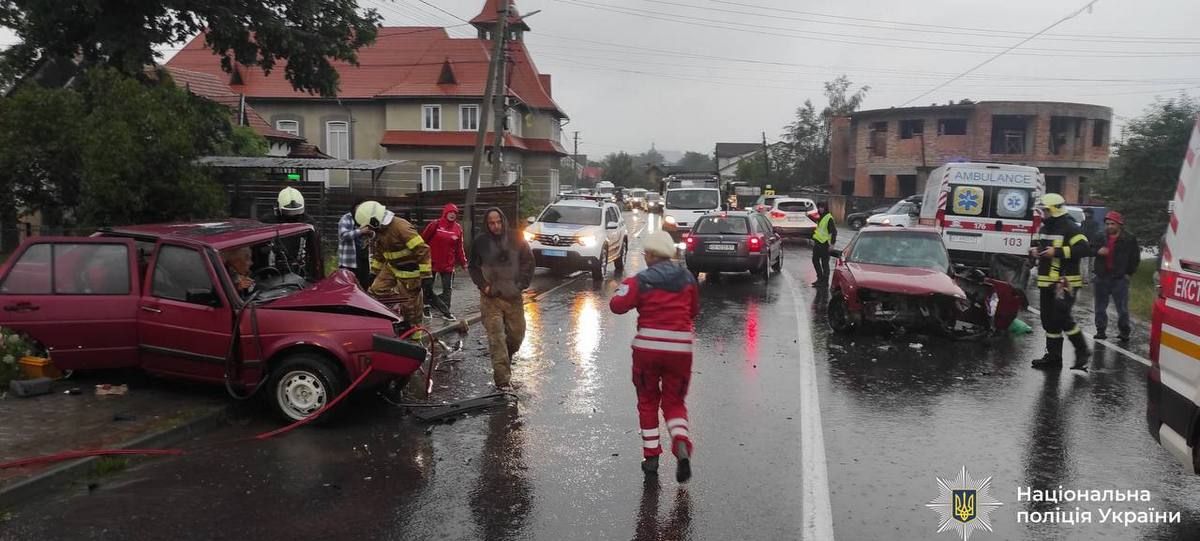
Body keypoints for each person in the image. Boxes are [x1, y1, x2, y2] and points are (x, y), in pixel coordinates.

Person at [610, 231, 700, 483]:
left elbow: (617, 306)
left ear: (650, 255)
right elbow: (693, 310)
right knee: (674, 402)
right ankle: (681, 443)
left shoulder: (641, 279)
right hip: (680, 350)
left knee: (647, 401)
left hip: (647, 349)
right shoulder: (688, 279)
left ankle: (651, 457)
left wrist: (622, 290)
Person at [468, 208, 534, 390]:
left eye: (498, 222)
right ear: (487, 224)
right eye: (491, 223)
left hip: (513, 296)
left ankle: (505, 357)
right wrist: (484, 285)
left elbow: (528, 261)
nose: (495, 226)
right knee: (497, 339)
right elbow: (473, 266)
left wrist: (520, 284)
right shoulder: (480, 242)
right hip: (491, 298)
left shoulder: (517, 238)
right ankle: (503, 382)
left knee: (516, 336)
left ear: (503, 220)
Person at [1030, 193, 1093, 370]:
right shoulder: (1044, 228)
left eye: (1045, 210)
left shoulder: (1070, 227)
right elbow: (1038, 245)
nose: (1043, 214)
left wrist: (1056, 252)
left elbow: (1084, 248)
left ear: (1054, 210)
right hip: (1046, 282)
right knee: (1049, 321)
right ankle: (1054, 358)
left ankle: (1082, 350)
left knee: (1061, 317)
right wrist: (1034, 251)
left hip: (1065, 283)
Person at [355, 201, 433, 338]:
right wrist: (373, 273)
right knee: (375, 291)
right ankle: (393, 315)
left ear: (374, 220)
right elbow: (380, 255)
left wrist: (426, 276)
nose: (367, 230)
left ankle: (415, 337)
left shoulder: (401, 227)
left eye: (368, 226)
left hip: (410, 270)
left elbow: (422, 250)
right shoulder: (379, 230)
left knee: (410, 307)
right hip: (391, 267)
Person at [1091, 211, 1139, 342]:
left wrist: (1129, 273)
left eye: (1112, 224)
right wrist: (1097, 251)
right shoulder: (1100, 236)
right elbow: (1089, 248)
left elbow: (1135, 258)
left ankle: (1124, 331)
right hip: (1102, 276)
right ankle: (1100, 330)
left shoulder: (1129, 238)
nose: (1109, 226)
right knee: (1100, 307)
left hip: (1119, 278)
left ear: (1119, 224)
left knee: (1122, 308)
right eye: (1107, 224)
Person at [421, 203, 468, 321]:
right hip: (432, 262)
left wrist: (464, 262)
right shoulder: (435, 225)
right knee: (428, 286)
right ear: (445, 213)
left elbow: (459, 248)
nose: (452, 215)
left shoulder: (458, 228)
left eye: (455, 213)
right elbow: (422, 240)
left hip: (448, 264)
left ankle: (446, 312)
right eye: (450, 212)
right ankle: (425, 307)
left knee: (448, 289)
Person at [338, 200, 375, 290]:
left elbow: (375, 234)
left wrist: (370, 233)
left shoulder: (368, 218)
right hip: (349, 261)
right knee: (349, 286)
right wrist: (360, 231)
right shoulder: (346, 218)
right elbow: (343, 236)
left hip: (364, 259)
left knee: (364, 285)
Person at [811, 201, 837, 287]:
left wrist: (832, 244)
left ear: (825, 208)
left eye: (822, 207)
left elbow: (834, 232)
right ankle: (820, 278)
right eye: (819, 207)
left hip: (825, 244)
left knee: (825, 263)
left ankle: (825, 281)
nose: (820, 209)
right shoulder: (821, 217)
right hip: (818, 242)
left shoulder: (828, 218)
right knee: (815, 260)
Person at [1080, 208, 1104, 284]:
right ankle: (1092, 278)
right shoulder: (1096, 224)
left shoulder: (1084, 223)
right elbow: (1097, 234)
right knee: (1092, 263)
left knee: (1085, 263)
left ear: (1088, 214)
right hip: (1093, 245)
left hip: (1086, 244)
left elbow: (1082, 233)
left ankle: (1085, 279)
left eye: (1085, 213)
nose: (1084, 214)